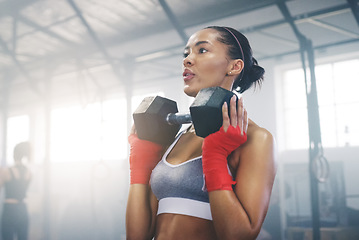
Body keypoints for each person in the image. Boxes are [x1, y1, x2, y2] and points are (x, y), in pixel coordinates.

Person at [126, 26, 277, 240]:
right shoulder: (176, 138)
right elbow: (137, 236)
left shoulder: (256, 139)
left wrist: (215, 156)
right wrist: (139, 165)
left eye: (202, 50)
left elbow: (240, 236)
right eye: (186, 53)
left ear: (235, 66)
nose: (187, 60)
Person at [0, 142, 32, 240]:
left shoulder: (6, 172)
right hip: (23, 210)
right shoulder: (29, 173)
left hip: (10, 210)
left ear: (15, 154)